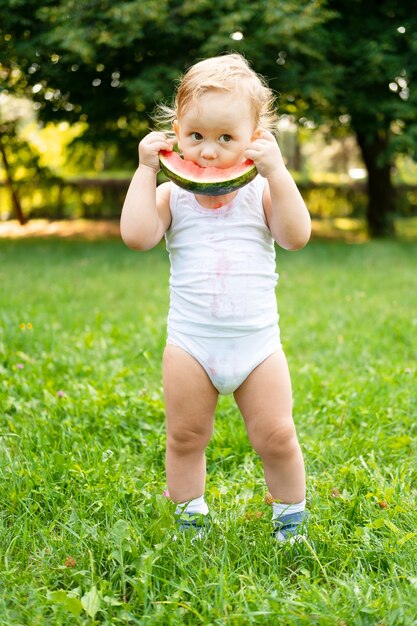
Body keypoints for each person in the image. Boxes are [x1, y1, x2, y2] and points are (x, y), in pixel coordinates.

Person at [121, 53, 311, 542]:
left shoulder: (261, 194)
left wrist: (279, 174)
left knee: (277, 437)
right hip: (190, 343)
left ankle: (291, 519)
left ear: (255, 140)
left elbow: (295, 236)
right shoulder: (172, 196)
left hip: (257, 347)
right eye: (196, 136)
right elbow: (138, 237)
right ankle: (190, 519)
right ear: (176, 133)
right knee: (185, 438)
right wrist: (146, 172)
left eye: (227, 138)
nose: (208, 152)